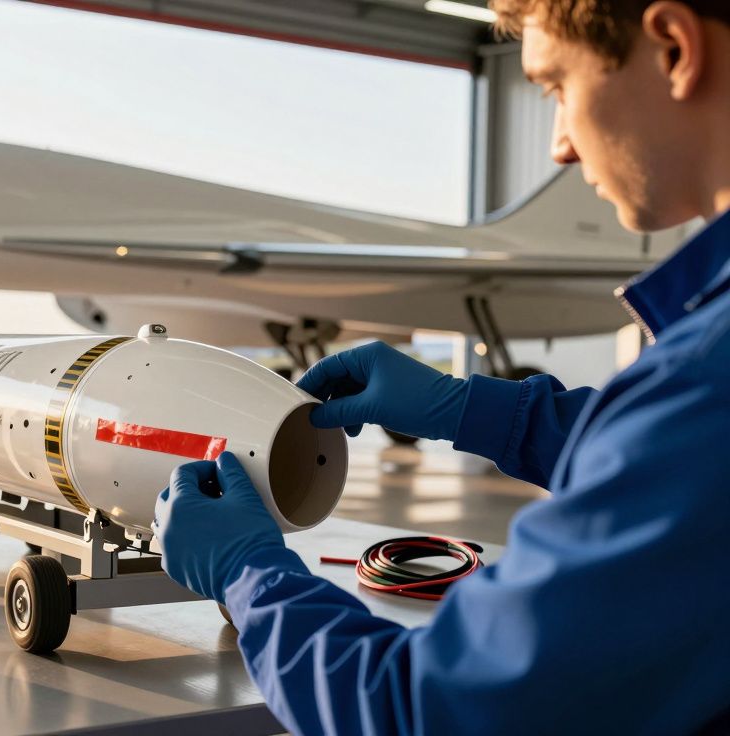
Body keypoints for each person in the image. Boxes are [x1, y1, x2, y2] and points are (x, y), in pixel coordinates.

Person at [151, 2, 730, 733]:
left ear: (674, 49)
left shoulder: (710, 376)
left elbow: (425, 709)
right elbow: (678, 463)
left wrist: (249, 575)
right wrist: (473, 409)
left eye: (556, 87)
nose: (559, 146)